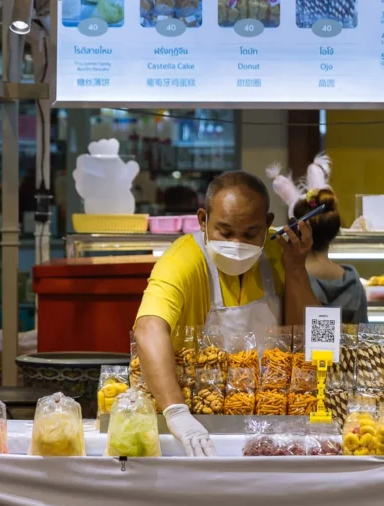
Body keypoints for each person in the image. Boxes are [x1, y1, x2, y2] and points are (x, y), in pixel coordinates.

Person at [134, 170, 317, 457]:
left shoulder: (277, 251)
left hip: (268, 419)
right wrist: (176, 412)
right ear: (203, 220)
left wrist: (295, 268)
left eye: (250, 233)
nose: (236, 244)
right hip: (200, 421)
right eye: (225, 231)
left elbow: (310, 339)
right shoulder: (183, 258)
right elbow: (148, 329)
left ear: (268, 224)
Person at [269, 154, 368, 323]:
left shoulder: (290, 279)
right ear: (334, 231)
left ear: (298, 230)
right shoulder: (351, 278)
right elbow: (362, 333)